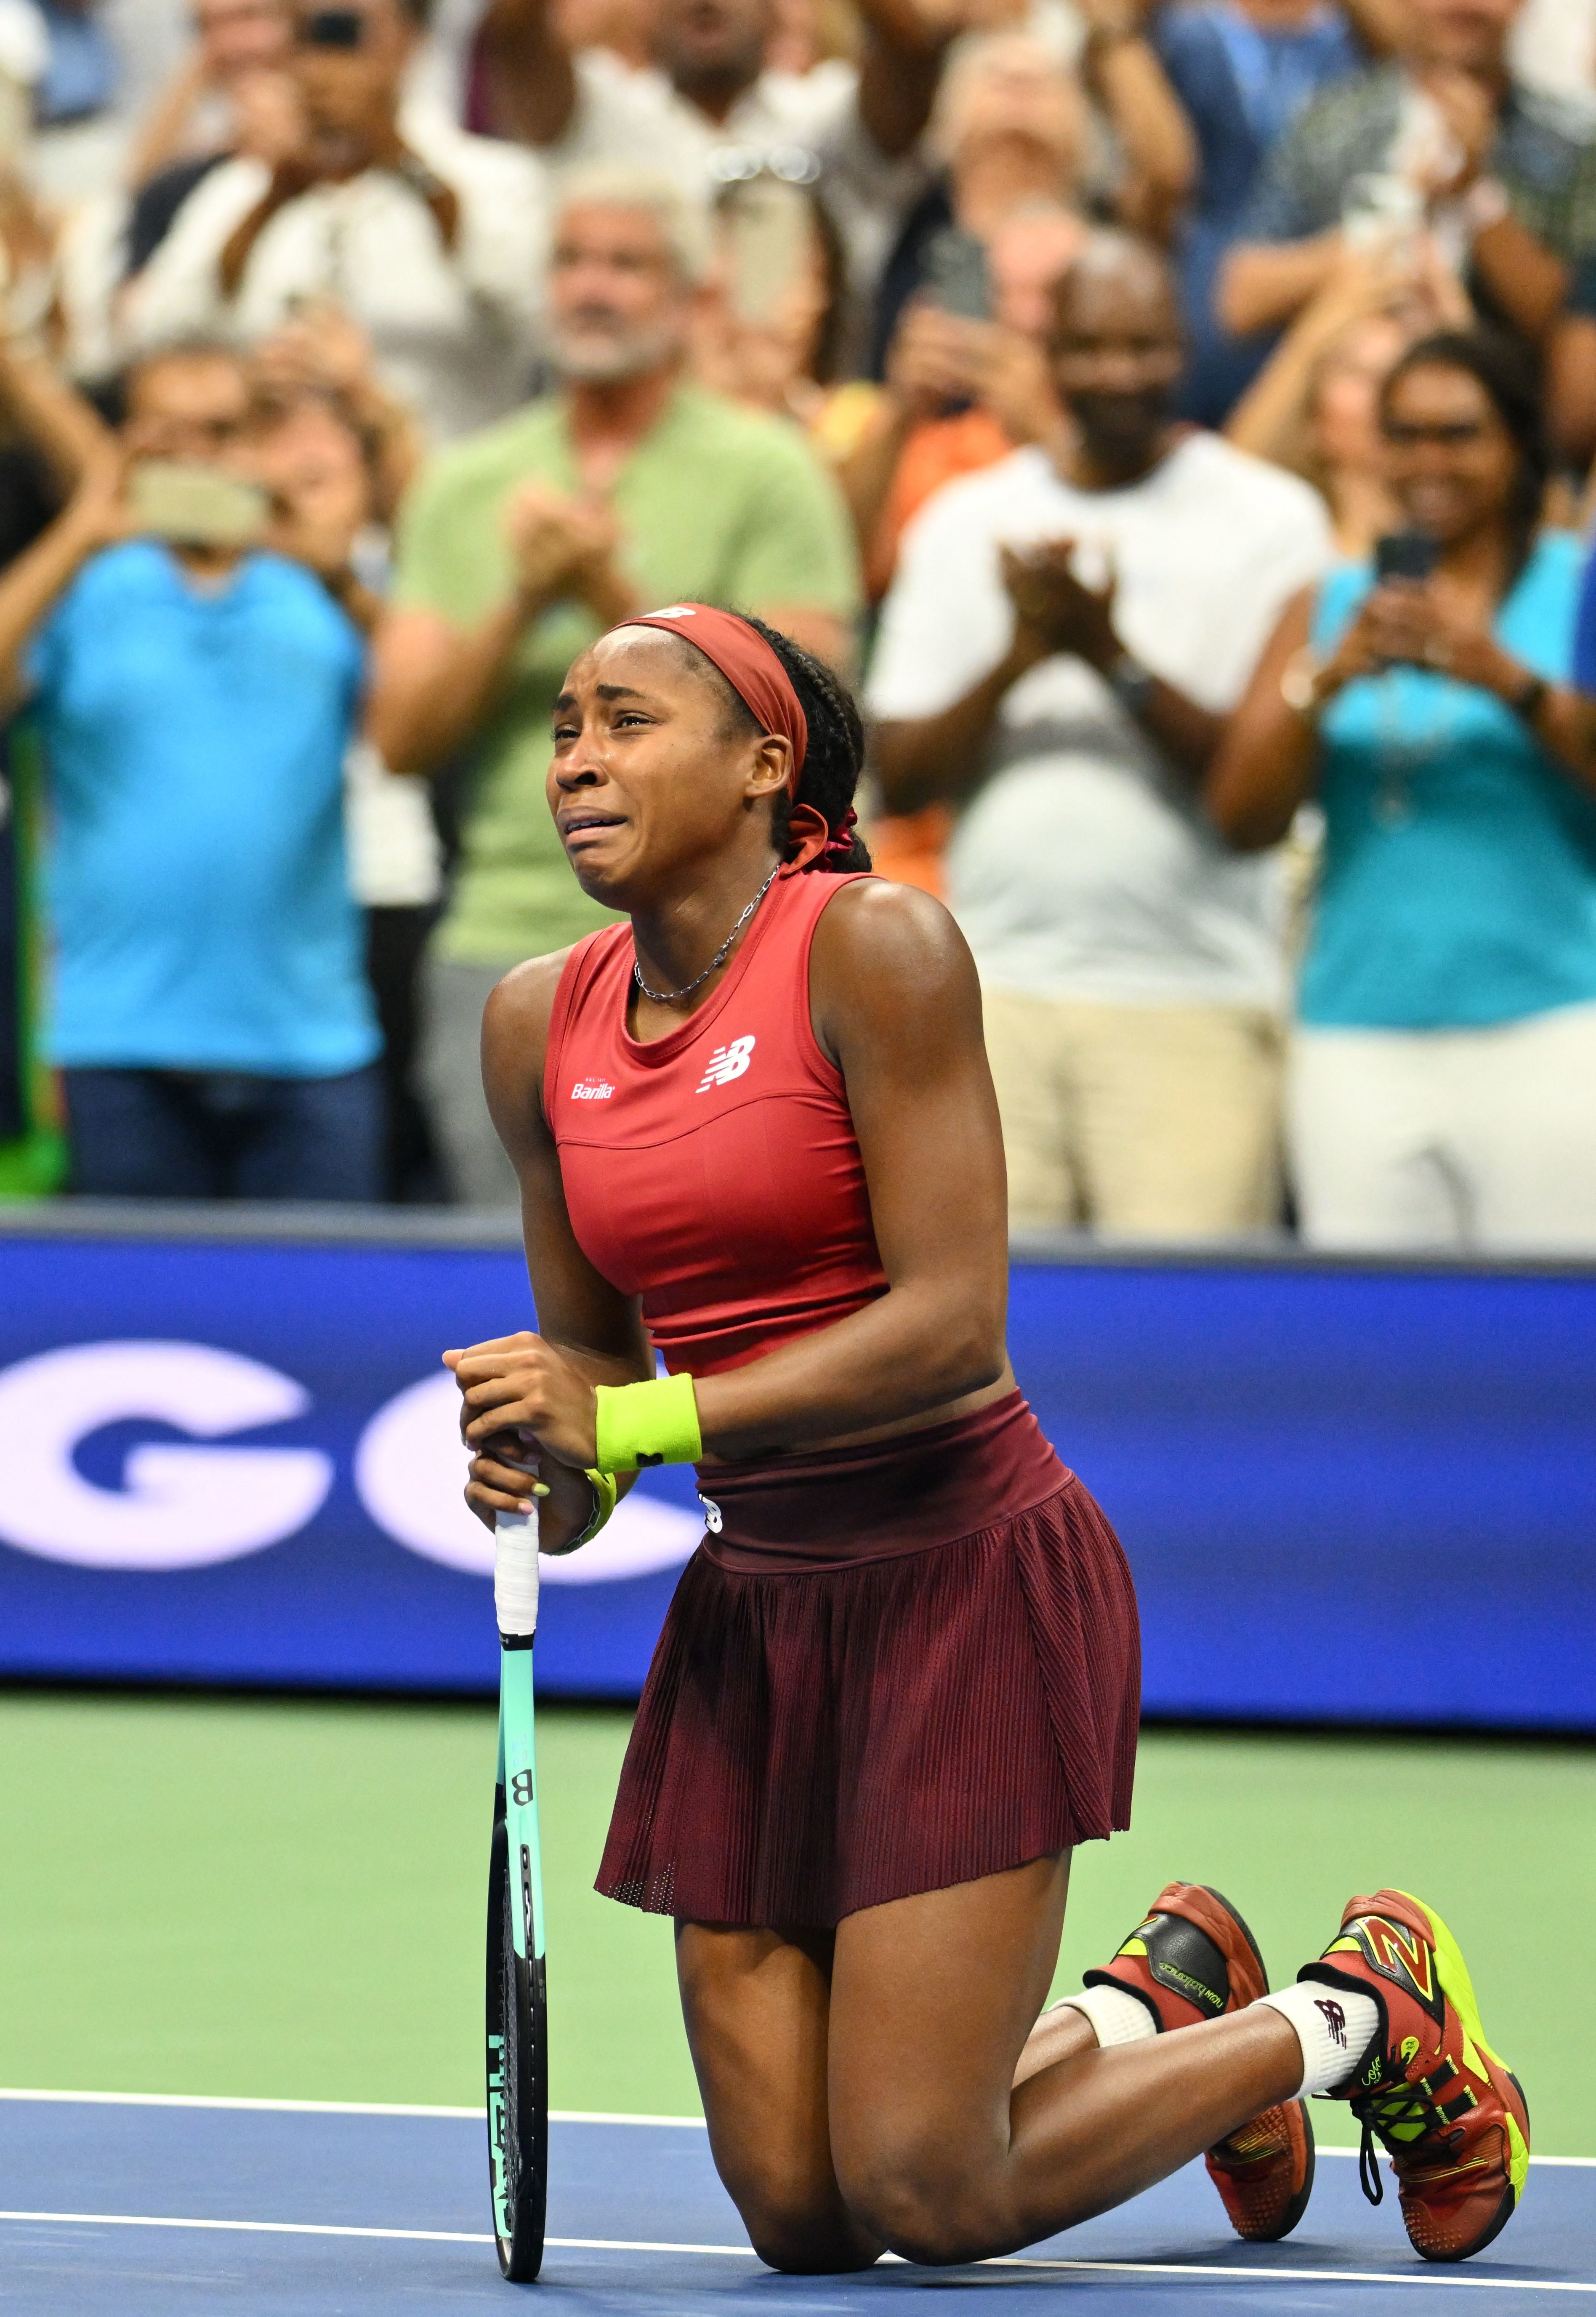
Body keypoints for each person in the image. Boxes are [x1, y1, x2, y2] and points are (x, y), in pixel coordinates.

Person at [443, 598, 1529, 2282]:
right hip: (759, 1622)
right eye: (566, 725)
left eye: (627, 721)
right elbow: (596, 1404)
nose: (577, 757)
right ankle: (1146, 2001)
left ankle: (1345, 2010)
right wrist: (544, 1463)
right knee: (806, 2214)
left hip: (966, 1588)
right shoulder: (535, 1022)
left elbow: (952, 1325)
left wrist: (636, 1416)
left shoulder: (876, 948)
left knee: (928, 2194)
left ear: (762, 763)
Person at [370, 167, 861, 1206]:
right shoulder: (469, 482)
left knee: (712, 1268)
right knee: (507, 1287)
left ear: (690, 298)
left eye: (626, 265)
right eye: (571, 261)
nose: (592, 287)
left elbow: (814, 719)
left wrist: (606, 591)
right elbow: (399, 735)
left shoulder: (767, 469)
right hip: (501, 940)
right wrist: (518, 598)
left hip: (720, 945)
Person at [868, 231, 1330, 1239]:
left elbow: (1251, 794)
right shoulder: (963, 519)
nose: (1116, 373)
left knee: (1185, 1352)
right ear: (1045, 352)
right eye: (1088, 346)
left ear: (1184, 346)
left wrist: (1106, 656)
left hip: (1191, 999)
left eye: (1142, 346)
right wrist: (1017, 659)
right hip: (991, 1000)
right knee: (993, 1337)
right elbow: (897, 780)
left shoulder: (1271, 520)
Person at [1210, 328, 1596, 1252]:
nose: (1429, 461)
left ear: (1515, 446)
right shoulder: (1328, 604)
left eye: (1459, 434)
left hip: (1549, 1025)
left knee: (1551, 1348)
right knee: (1374, 1350)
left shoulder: (1575, 586)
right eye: (1406, 434)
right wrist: (1328, 678)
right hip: (1359, 1035)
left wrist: (1501, 675)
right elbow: (1239, 815)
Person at [0, 339, 383, 1200]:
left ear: (258, 442)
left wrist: (332, 564)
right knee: (138, 1332)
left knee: (321, 1327)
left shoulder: (312, 591)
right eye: (168, 436)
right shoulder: (90, 585)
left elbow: (415, 723)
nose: (198, 458)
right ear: (129, 443)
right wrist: (79, 532)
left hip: (311, 1044)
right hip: (119, 1043)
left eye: (221, 432)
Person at [125, 0, 549, 444]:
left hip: (450, 480)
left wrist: (405, 163)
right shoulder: (241, 190)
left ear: (411, 43)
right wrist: (270, 203)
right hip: (284, 488)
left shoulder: (494, 177)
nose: (327, 60)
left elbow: (536, 314)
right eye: (311, 34)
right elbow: (152, 333)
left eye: (348, 30)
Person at [467, 0, 957, 375]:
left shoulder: (826, 109)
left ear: (778, 11)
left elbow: (912, 56)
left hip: (809, 410)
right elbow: (514, 38)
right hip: (625, 406)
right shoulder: (599, 110)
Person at [1218, 0, 1596, 360]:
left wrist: (1476, 194)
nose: (1461, 6)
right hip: (1343, 395)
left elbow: (1568, 337)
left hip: (1500, 404)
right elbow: (1241, 301)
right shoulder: (1334, 120)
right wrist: (1378, 241)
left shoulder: (1568, 140)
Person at [870, 22, 1194, 373]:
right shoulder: (913, 227)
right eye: (994, 76)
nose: (1020, 87)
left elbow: (1169, 175)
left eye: (1045, 80)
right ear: (946, 122)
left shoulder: (1113, 235)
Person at [1152, 0, 1386, 421]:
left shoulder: (1358, 38)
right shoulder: (1191, 39)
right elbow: (1166, 173)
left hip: (1326, 282)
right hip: (1207, 286)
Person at [1225, 238, 1470, 554]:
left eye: (1399, 373)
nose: (1384, 392)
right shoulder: (1283, 544)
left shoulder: (1469, 557)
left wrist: (1459, 327)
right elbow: (1233, 471)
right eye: (1358, 373)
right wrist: (1329, 315)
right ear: (1314, 416)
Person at [123, 0, 295, 276]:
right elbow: (135, 187)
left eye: (248, 17)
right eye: (208, 26)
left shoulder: (349, 151)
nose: (233, 42)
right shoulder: (186, 178)